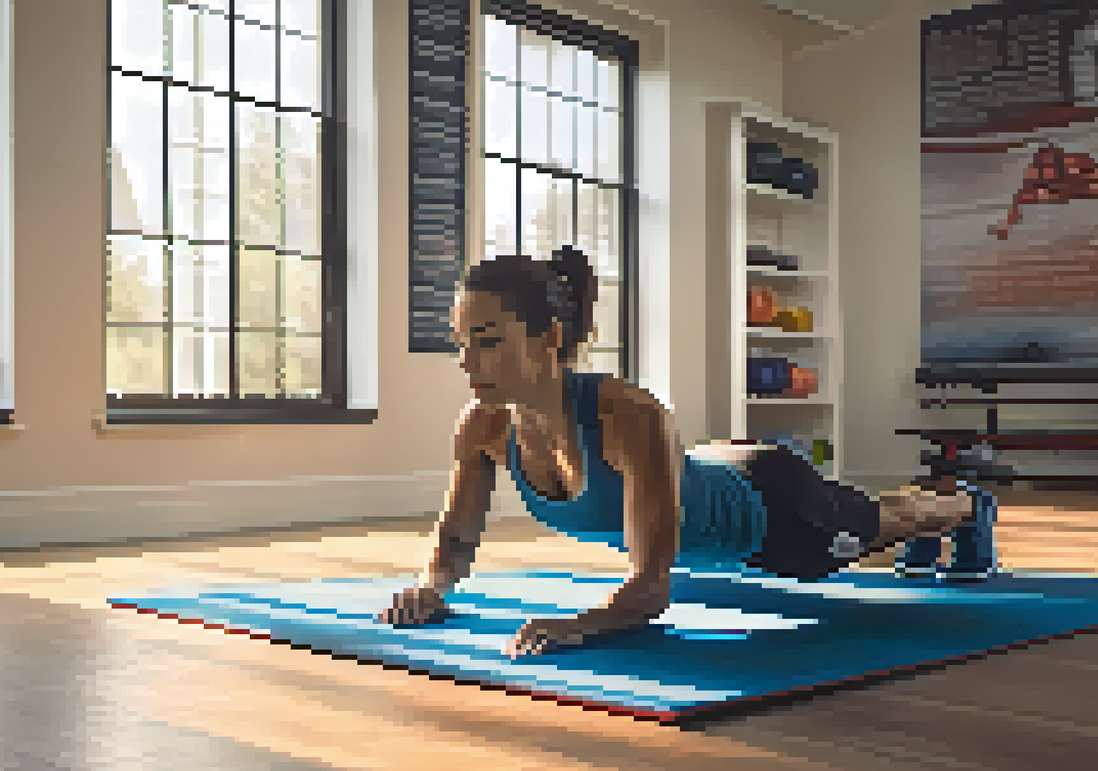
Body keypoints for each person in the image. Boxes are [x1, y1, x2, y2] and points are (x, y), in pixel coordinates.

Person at [378, 247, 988, 658]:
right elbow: (456, 541)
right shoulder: (482, 428)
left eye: (487, 341)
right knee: (874, 514)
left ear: (550, 339)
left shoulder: (628, 416)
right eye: (461, 342)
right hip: (711, 470)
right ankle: (939, 512)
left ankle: (965, 507)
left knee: (882, 524)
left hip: (774, 514)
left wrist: (578, 627)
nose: (467, 361)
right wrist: (433, 588)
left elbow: (649, 588)